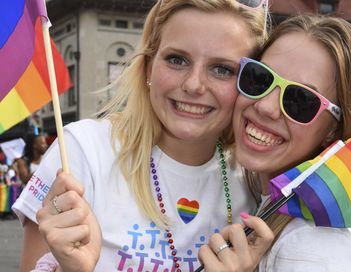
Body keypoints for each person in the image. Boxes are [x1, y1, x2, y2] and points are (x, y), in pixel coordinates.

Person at [12, 1, 273, 271]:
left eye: (222, 69)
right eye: (177, 60)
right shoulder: (82, 152)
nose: (194, 85)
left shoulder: (254, 179)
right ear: (149, 67)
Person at [198, 14, 351, 271]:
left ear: (333, 130)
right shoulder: (272, 199)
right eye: (260, 78)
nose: (266, 107)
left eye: (300, 100)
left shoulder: (319, 248)